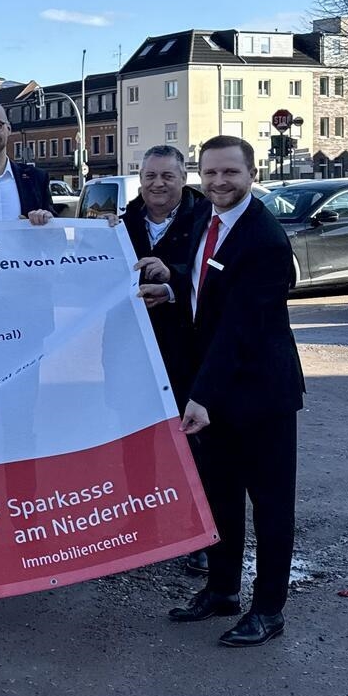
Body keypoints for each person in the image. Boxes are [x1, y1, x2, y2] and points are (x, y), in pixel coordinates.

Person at [142, 136, 304, 647]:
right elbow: (207, 282)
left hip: (259, 395)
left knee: (270, 506)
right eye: (210, 172)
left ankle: (269, 610)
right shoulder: (206, 220)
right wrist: (172, 288)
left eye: (230, 172)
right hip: (215, 388)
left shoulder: (264, 238)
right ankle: (222, 590)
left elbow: (240, 327)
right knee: (220, 497)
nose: (219, 182)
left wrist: (201, 395)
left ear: (252, 173)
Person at [119, 145, 210, 575]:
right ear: (140, 179)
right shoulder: (120, 224)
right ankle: (142, 524)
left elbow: (217, 274)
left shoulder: (207, 218)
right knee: (136, 442)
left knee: (196, 442)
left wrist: (171, 275)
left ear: (183, 178)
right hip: (129, 350)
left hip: (189, 349)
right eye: (150, 176)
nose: (157, 184)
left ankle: (201, 531)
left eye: (167, 176)